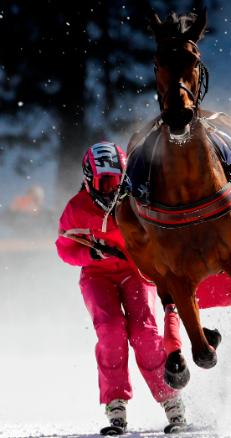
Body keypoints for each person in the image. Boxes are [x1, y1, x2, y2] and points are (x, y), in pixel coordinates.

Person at [55, 141, 187, 435]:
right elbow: (64, 248)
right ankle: (116, 405)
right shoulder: (77, 209)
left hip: (134, 272)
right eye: (105, 182)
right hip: (97, 277)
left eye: (118, 181)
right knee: (111, 329)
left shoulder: (136, 201)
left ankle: (171, 401)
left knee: (145, 331)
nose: (111, 190)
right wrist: (90, 253)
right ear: (89, 180)